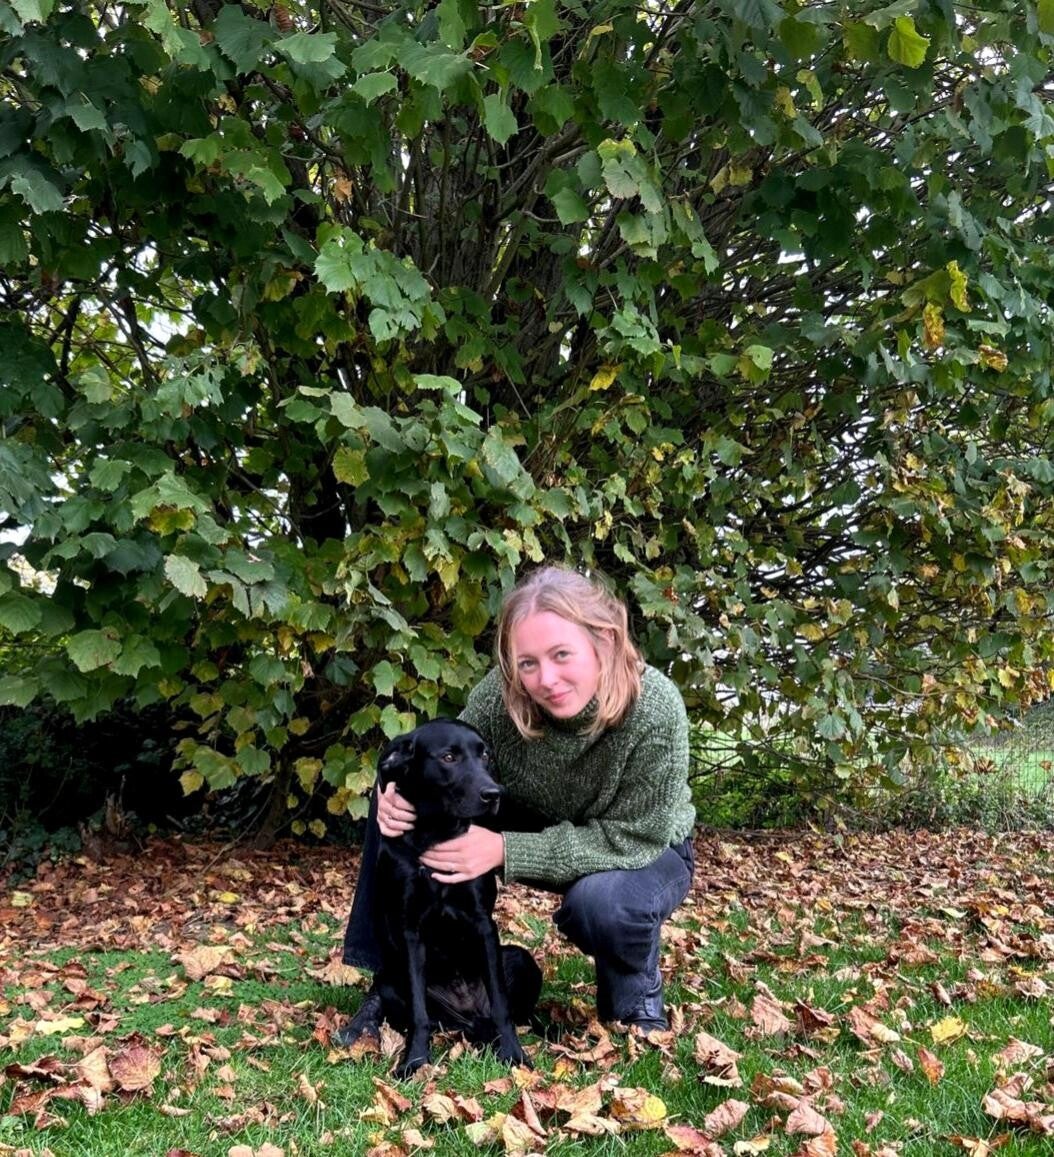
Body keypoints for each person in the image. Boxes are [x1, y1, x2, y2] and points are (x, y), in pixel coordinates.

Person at [336, 564, 696, 1039]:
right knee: (398, 790)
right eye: (528, 663)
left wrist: (505, 849)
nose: (546, 679)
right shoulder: (499, 698)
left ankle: (635, 998)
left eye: (562, 654)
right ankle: (389, 981)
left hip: (642, 847)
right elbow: (445, 760)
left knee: (602, 903)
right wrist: (390, 795)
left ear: (604, 641)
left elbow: (635, 835)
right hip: (538, 820)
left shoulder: (655, 708)